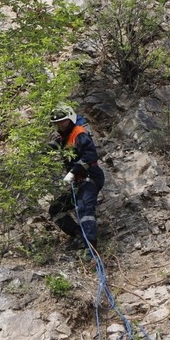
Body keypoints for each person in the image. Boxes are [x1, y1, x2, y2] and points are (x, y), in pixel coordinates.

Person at [48, 103, 105, 250]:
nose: (61, 125)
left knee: (85, 209)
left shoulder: (79, 133)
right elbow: (56, 146)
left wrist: (73, 172)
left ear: (70, 119)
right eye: (58, 123)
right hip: (79, 181)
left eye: (63, 121)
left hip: (90, 176)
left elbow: (90, 155)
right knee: (56, 209)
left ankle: (90, 248)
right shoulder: (65, 137)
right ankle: (80, 235)